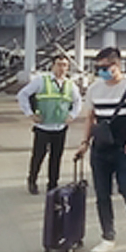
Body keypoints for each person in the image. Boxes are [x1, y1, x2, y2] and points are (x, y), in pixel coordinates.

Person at [74, 47, 126, 252]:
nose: (102, 72)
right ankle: (108, 236)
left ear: (117, 66)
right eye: (98, 68)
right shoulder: (94, 89)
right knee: (102, 194)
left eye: (105, 67)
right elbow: (90, 117)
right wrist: (84, 142)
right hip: (101, 148)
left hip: (125, 147)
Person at [17, 54, 82, 194]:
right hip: (43, 127)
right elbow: (22, 94)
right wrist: (29, 114)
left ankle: (52, 184)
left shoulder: (70, 85)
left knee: (56, 157)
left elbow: (78, 101)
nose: (62, 68)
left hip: (60, 127)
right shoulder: (41, 80)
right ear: (53, 65)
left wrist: (72, 115)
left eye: (65, 65)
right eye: (59, 64)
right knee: (38, 156)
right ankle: (32, 180)